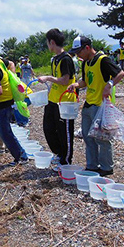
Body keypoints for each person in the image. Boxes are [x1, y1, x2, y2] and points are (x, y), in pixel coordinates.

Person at [67, 36, 124, 176]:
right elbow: (85, 81)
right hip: (88, 104)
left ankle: (106, 167)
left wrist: (109, 84)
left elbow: (120, 73)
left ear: (87, 48)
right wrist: (76, 84)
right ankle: (92, 166)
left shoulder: (102, 60)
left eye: (79, 51)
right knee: (88, 137)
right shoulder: (86, 63)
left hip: (100, 106)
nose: (78, 55)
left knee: (102, 138)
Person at [37, 28, 77, 171]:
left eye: (48, 43)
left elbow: (65, 80)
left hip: (65, 101)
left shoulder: (66, 59)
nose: (48, 46)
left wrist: (48, 78)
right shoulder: (55, 60)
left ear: (52, 42)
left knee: (64, 131)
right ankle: (59, 154)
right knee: (48, 128)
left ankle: (66, 161)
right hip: (53, 100)